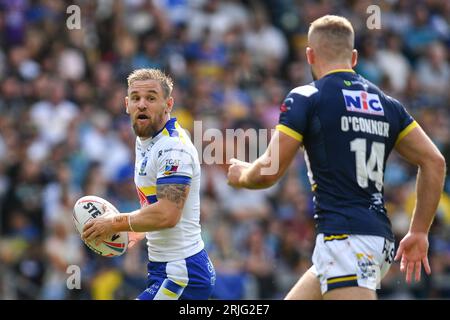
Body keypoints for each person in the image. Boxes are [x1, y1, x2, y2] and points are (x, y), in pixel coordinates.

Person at [227, 15, 446, 300]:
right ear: (354, 57)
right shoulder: (387, 104)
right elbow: (434, 162)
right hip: (368, 237)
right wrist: (419, 232)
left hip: (347, 240)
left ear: (310, 55)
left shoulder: (306, 97)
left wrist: (242, 175)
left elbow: (268, 171)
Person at [83, 68, 216, 300]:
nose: (142, 104)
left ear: (169, 104)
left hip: (182, 273)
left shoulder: (172, 148)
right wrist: (135, 231)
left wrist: (114, 223)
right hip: (165, 268)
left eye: (151, 98)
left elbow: (167, 214)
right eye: (136, 98)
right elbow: (153, 205)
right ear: (127, 104)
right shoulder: (145, 139)